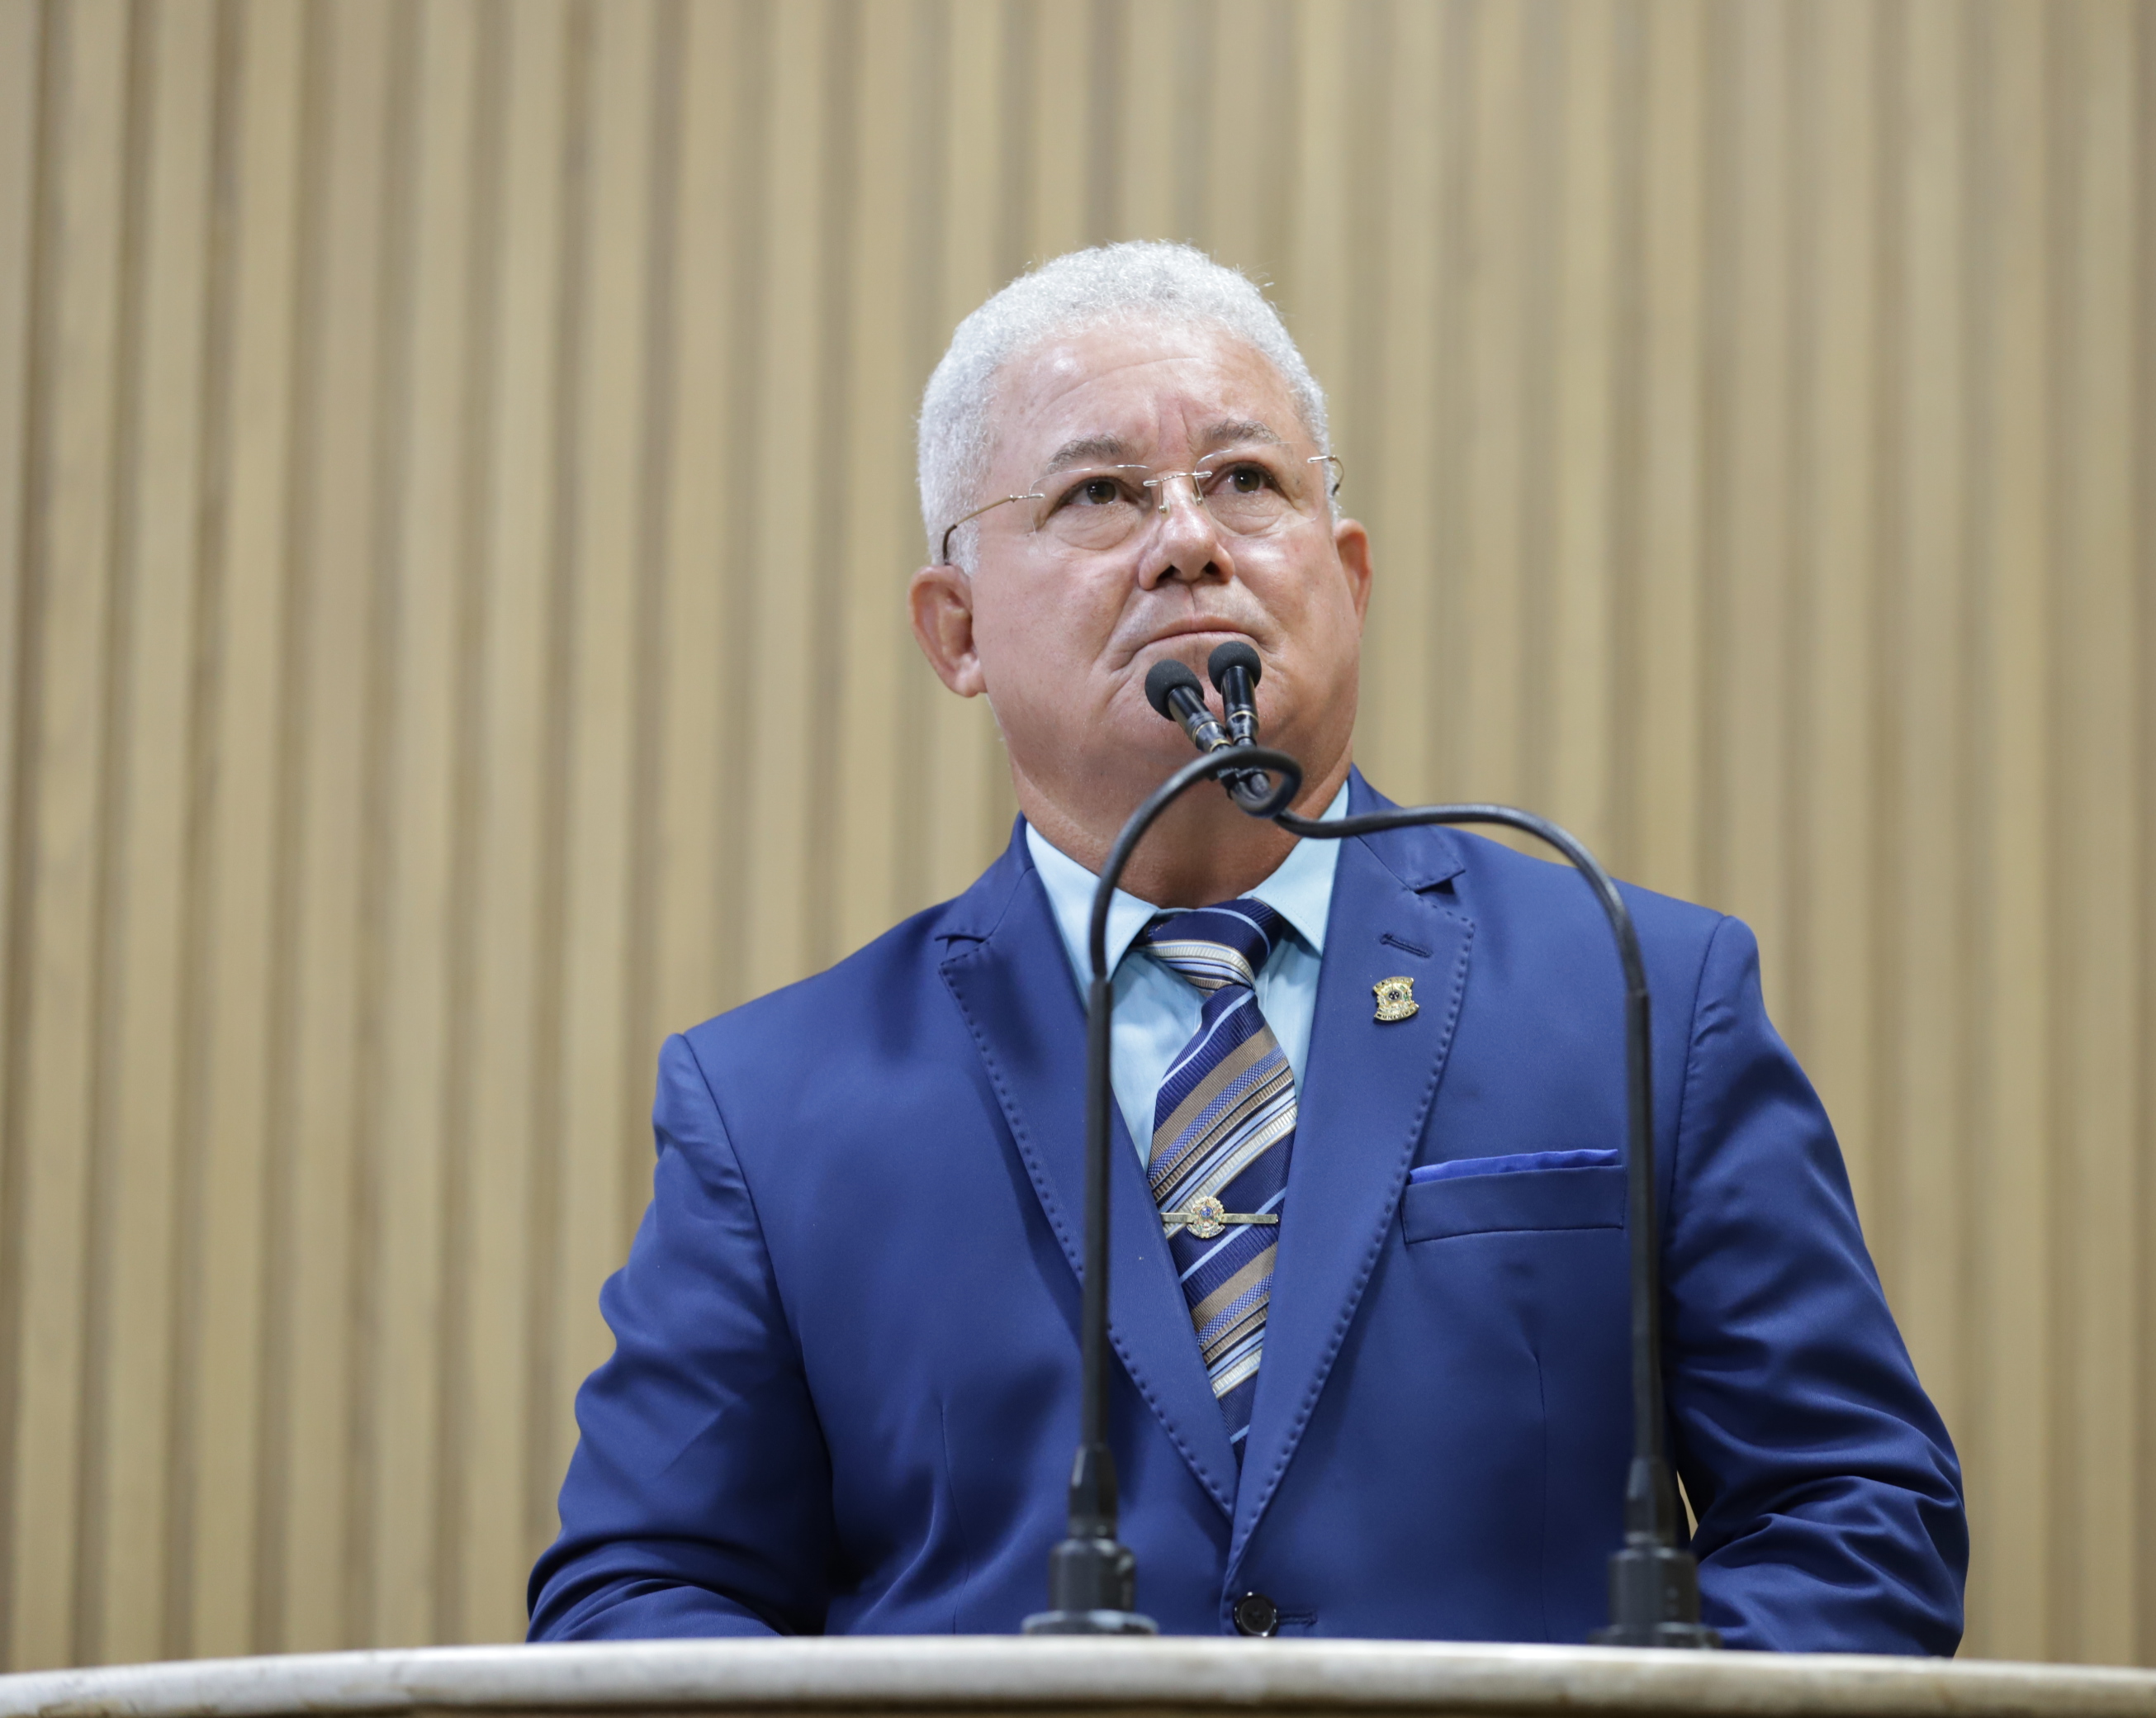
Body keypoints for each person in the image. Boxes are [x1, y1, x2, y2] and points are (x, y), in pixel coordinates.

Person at [528, 242, 1967, 1649]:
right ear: (955, 630)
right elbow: (637, 1598)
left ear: (1347, 573)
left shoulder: (1636, 994)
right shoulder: (771, 1105)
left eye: (1245, 481)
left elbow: (1854, 1515)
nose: (1188, 541)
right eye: (1099, 493)